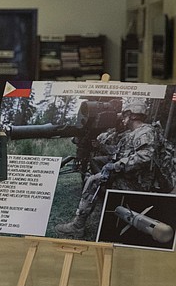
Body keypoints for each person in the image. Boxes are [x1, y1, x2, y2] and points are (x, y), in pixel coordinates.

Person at [56, 101, 162, 239]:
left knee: (93, 181)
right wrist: (102, 149)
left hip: (137, 184)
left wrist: (114, 166)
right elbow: (118, 153)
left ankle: (77, 226)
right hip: (130, 176)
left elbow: (145, 157)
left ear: (132, 116)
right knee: (95, 176)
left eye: (124, 116)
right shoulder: (134, 133)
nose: (122, 120)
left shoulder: (145, 132)